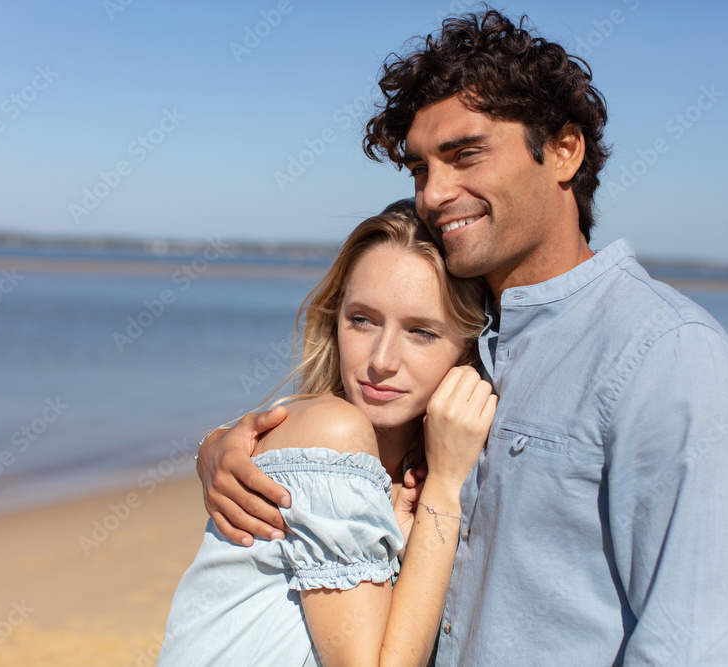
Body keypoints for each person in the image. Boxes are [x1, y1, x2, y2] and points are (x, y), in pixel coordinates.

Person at [198, 9, 728, 665]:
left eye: (466, 155)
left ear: (563, 151)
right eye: (419, 169)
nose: (436, 194)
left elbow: (694, 648)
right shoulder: (462, 337)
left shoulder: (668, 353)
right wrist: (227, 449)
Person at [157, 200, 497, 666]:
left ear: (467, 354)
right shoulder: (331, 432)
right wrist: (444, 487)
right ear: (335, 321)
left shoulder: (394, 475)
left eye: (420, 331)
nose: (381, 360)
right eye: (362, 319)